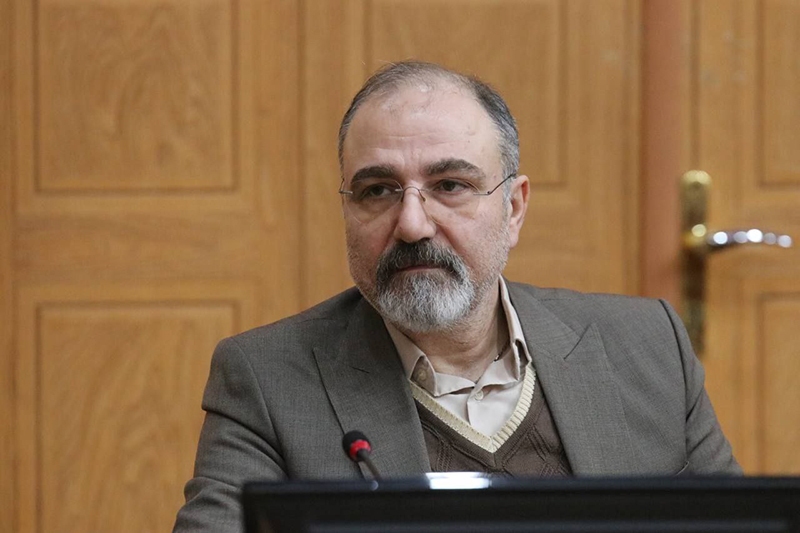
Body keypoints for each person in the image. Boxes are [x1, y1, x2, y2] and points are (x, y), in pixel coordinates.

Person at [173, 60, 740, 532]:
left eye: (450, 186)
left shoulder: (647, 346)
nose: (412, 224)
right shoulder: (269, 379)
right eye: (378, 190)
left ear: (513, 208)